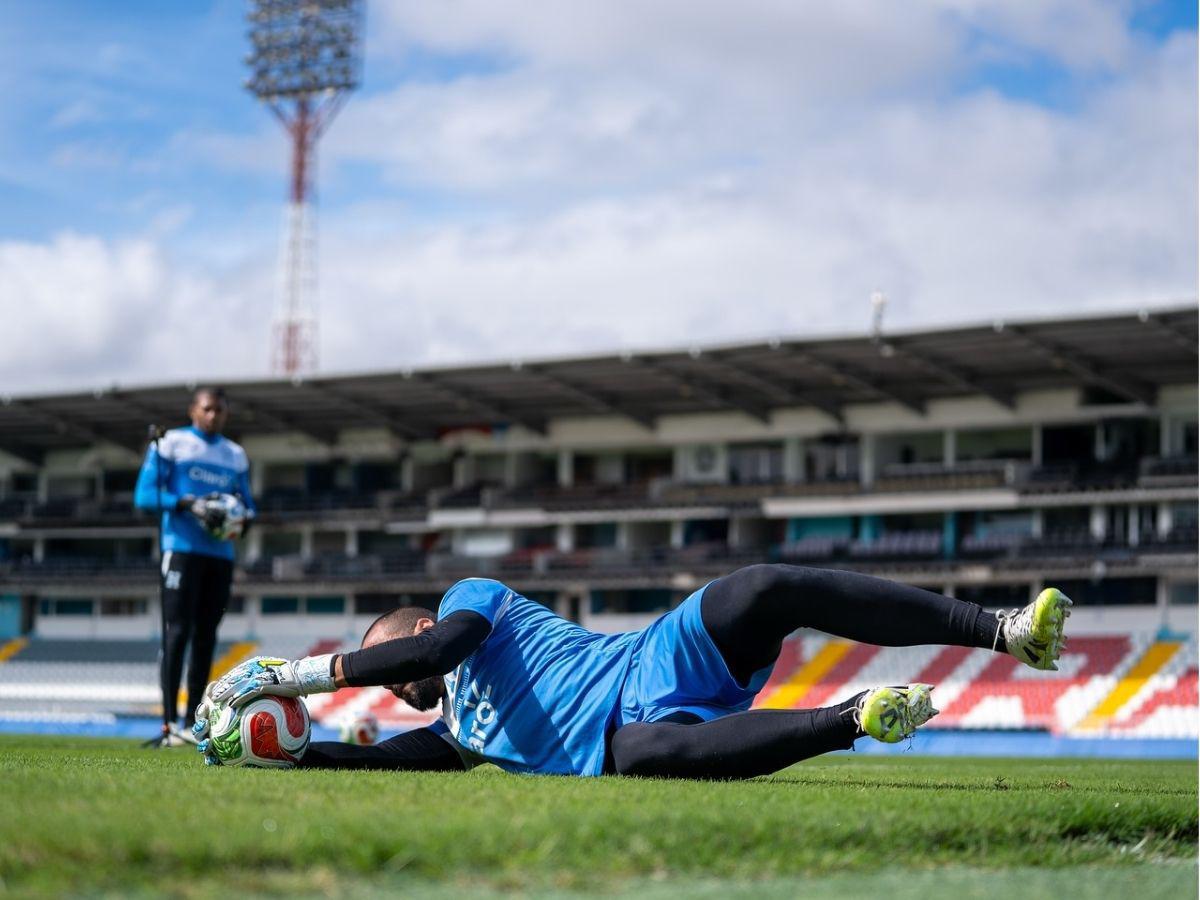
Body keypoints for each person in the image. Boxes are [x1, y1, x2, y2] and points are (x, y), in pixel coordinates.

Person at [195, 565, 1071, 779]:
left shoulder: (470, 605)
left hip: (651, 657)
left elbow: (431, 654)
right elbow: (383, 763)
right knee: (646, 759)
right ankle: (855, 718)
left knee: (764, 587)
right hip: (631, 733)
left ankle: (1003, 629)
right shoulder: (458, 736)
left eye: (391, 661)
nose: (397, 688)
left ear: (414, 626)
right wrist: (285, 753)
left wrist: (298, 674)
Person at [135, 386, 256, 746]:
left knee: (206, 639)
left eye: (220, 410)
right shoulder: (171, 443)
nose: (213, 415)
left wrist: (240, 517)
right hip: (181, 550)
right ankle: (169, 724)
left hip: (220, 557)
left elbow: (250, 506)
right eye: (207, 409)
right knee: (177, 634)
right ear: (193, 410)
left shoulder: (235, 455)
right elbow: (144, 496)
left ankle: (191, 724)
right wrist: (189, 504)